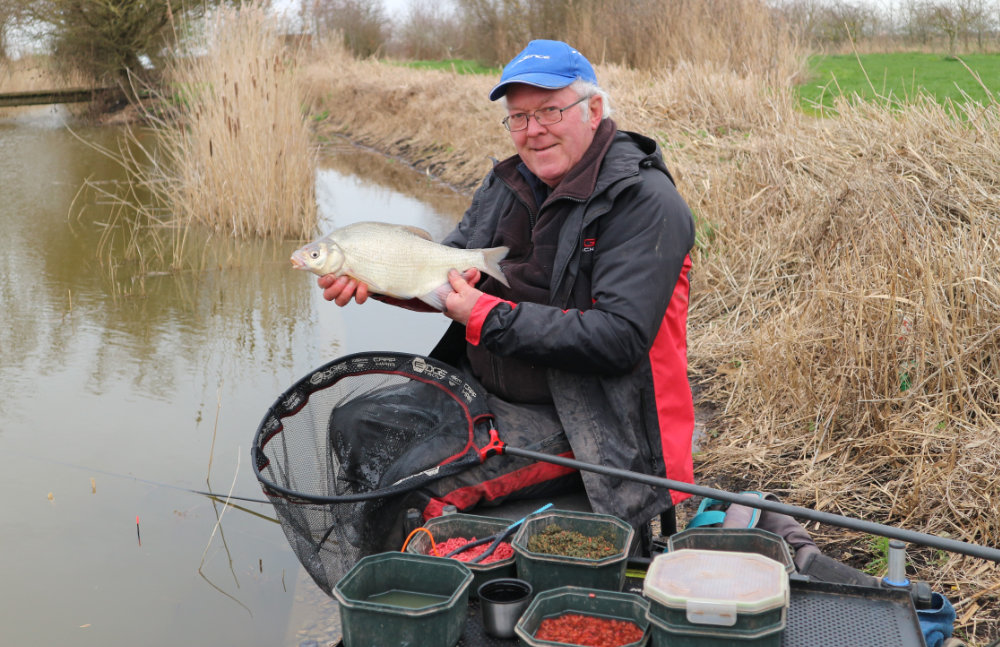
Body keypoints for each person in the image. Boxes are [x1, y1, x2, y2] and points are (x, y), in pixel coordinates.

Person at [318, 39, 696, 543]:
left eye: (550, 111)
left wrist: (486, 315)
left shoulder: (645, 202)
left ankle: (428, 597)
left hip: (593, 423)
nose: (533, 131)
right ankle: (381, 580)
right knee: (357, 425)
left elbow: (619, 338)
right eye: (518, 117)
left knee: (409, 488)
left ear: (595, 110)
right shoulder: (507, 183)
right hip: (488, 391)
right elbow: (447, 271)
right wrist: (383, 280)